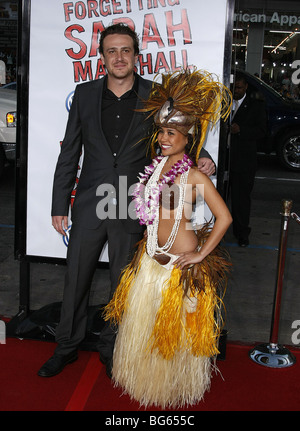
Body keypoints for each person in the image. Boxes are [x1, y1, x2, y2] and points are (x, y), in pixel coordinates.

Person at [37, 23, 216, 378]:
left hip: (134, 203)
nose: (119, 57)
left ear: (136, 56)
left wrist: (202, 155)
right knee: (76, 279)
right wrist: (60, 204)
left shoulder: (155, 94)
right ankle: (66, 347)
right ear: (102, 57)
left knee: (124, 283)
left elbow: (178, 133)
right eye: (111, 51)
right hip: (91, 200)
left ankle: (113, 349)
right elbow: (69, 152)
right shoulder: (85, 94)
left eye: (125, 50)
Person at [103, 68, 233, 409]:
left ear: (187, 137)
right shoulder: (157, 168)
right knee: (146, 332)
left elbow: (225, 217)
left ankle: (174, 388)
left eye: (171, 132)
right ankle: (148, 385)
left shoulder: (192, 175)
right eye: (161, 131)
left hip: (181, 267)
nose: (163, 137)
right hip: (151, 260)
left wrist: (201, 254)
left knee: (175, 338)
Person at [229, 72, 267, 247]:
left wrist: (241, 130)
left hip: (243, 161)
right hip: (224, 159)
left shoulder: (256, 107)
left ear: (245, 88)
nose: (235, 90)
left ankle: (242, 233)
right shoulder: (224, 103)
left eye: (238, 87)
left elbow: (262, 131)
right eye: (233, 87)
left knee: (241, 200)